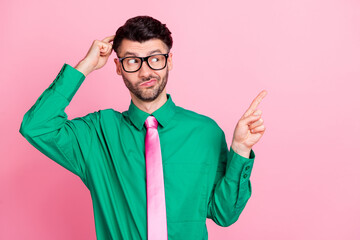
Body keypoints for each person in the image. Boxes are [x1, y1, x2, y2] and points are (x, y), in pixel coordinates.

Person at [19, 15, 267, 240]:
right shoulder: (97, 134)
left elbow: (224, 214)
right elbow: (36, 127)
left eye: (155, 59)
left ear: (169, 62)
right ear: (118, 67)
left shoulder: (205, 133)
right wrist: (85, 66)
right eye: (132, 61)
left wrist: (241, 149)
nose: (145, 71)